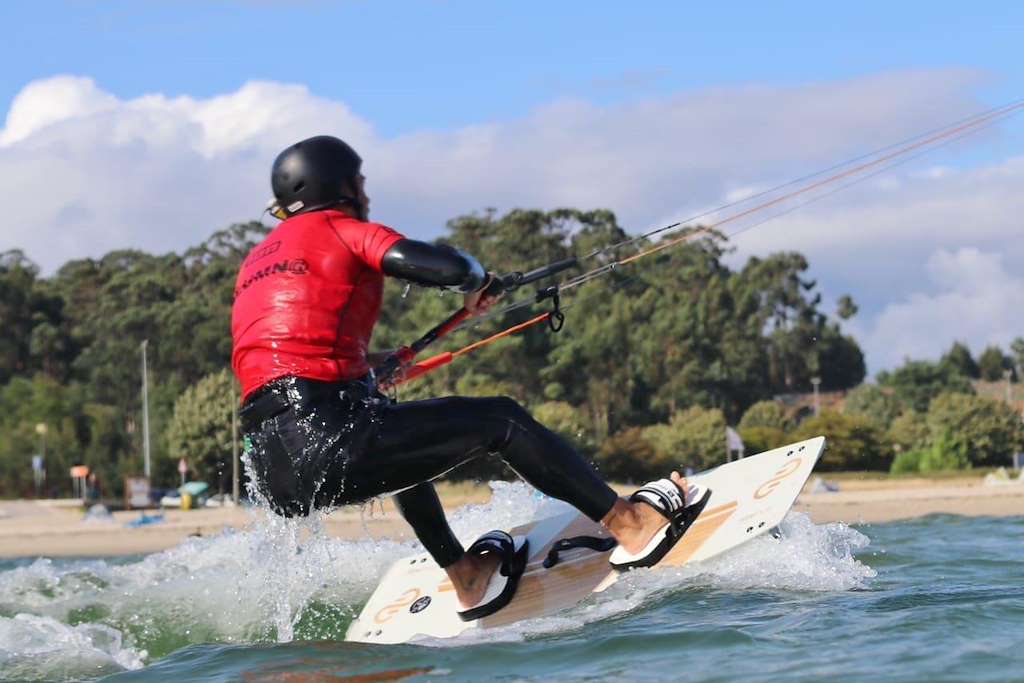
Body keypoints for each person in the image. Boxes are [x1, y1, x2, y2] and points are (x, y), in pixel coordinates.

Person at [232, 135, 707, 619]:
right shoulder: (342, 228)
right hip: (325, 432)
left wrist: (373, 368)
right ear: (344, 186)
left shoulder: (257, 262)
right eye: (361, 182)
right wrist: (477, 279)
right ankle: (631, 523)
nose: (366, 195)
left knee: (387, 424)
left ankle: (467, 575)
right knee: (501, 419)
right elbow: (444, 266)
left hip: (270, 469)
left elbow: (290, 356)